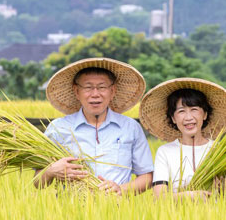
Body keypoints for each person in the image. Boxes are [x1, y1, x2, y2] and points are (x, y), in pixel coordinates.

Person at [35, 58, 153, 196]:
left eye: (102, 87)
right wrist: (51, 171)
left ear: (112, 91)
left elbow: (147, 177)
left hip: (118, 212)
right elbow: (37, 182)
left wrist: (121, 190)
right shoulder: (58, 129)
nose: (95, 94)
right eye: (88, 87)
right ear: (76, 91)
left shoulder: (131, 128)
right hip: (69, 212)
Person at [139, 78, 226, 199]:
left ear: (205, 114)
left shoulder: (219, 150)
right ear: (173, 118)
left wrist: (225, 191)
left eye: (194, 110)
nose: (188, 117)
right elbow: (159, 197)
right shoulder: (165, 152)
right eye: (181, 111)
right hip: (176, 218)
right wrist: (188, 196)